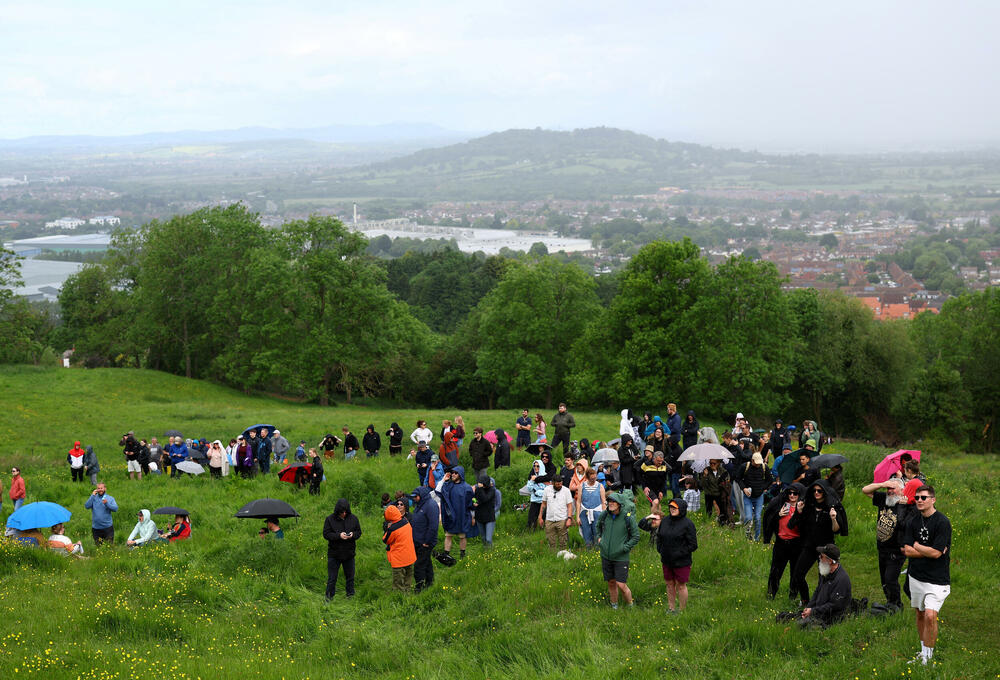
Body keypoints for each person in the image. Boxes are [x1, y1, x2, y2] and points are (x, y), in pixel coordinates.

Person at [902, 485, 951, 665]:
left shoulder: (942, 522)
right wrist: (928, 550)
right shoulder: (912, 521)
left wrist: (917, 545)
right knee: (920, 614)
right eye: (917, 498)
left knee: (930, 615)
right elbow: (907, 550)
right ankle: (923, 652)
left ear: (933, 499)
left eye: (923, 497)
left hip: (937, 579)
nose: (919, 500)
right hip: (916, 576)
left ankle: (928, 658)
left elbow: (937, 554)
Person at [788, 479, 848, 603]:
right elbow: (795, 524)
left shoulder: (831, 507)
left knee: (823, 578)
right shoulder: (808, 505)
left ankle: (820, 602)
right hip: (809, 546)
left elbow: (836, 530)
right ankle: (805, 601)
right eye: (814, 490)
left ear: (824, 492)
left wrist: (833, 518)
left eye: (819, 491)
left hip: (825, 548)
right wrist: (799, 511)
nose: (816, 493)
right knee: (798, 575)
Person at [861, 477, 912, 612]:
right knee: (884, 580)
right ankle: (890, 603)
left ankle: (897, 605)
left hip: (896, 550)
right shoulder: (884, 499)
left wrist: (903, 506)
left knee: (890, 579)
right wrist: (882, 484)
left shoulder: (907, 505)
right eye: (888, 488)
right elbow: (865, 490)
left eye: (892, 488)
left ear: (902, 490)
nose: (889, 491)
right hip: (882, 548)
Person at [640, 498, 697, 613]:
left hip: (682, 561)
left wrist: (679, 553)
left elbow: (693, 545)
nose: (672, 509)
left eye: (675, 507)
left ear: (681, 509)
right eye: (671, 507)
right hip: (666, 559)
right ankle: (671, 608)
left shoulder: (688, 524)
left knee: (680, 585)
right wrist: (660, 549)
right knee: (669, 584)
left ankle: (682, 610)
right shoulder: (665, 521)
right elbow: (659, 536)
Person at [596, 491, 640, 609]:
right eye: (609, 501)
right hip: (606, 555)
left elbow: (636, 536)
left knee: (621, 584)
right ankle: (614, 606)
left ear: (619, 503)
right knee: (611, 582)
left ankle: (630, 606)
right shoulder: (604, 515)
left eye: (613, 501)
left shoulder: (627, 517)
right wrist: (600, 539)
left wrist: (624, 548)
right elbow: (598, 526)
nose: (610, 503)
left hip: (621, 557)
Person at [763, 482, 806, 599]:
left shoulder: (803, 507)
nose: (792, 495)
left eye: (795, 493)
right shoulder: (780, 504)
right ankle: (771, 594)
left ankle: (793, 596)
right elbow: (769, 519)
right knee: (775, 571)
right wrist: (778, 515)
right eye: (790, 493)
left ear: (799, 495)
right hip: (781, 543)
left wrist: (799, 513)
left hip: (796, 544)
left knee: (795, 572)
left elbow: (806, 526)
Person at [794, 544, 852, 628]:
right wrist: (809, 607)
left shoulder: (841, 580)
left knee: (800, 626)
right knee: (787, 618)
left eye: (821, 556)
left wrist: (813, 611)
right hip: (819, 611)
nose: (819, 558)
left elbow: (834, 605)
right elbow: (817, 591)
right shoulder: (826, 572)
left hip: (832, 617)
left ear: (830, 561)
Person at [323, 498, 362, 600]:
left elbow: (358, 532)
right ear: (337, 511)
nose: (344, 514)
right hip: (334, 554)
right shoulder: (329, 519)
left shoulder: (353, 518)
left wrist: (353, 535)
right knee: (332, 578)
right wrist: (339, 536)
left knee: (350, 577)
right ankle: (329, 597)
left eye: (345, 512)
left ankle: (350, 595)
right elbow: (326, 534)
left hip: (349, 553)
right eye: (341, 512)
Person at [440, 466, 474, 559]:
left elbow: (471, 503)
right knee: (448, 536)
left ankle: (462, 555)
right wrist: (445, 481)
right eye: (452, 473)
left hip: (462, 517)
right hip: (450, 517)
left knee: (462, 537)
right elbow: (439, 492)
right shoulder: (448, 486)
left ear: (460, 474)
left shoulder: (467, 488)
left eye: (455, 473)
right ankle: (446, 555)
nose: (453, 474)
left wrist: (473, 516)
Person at [410, 486, 439, 592]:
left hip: (425, 542)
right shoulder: (420, 505)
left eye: (416, 496)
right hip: (418, 541)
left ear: (421, 495)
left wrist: (427, 541)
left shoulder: (431, 505)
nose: (414, 498)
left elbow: (433, 526)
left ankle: (419, 587)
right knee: (426, 563)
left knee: (419, 565)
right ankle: (429, 582)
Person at [382, 505, 416, 592]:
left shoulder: (392, 529)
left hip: (399, 559)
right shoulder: (406, 521)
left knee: (398, 582)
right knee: (408, 577)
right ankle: (407, 592)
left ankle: (399, 596)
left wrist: (388, 528)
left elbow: (385, 540)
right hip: (410, 555)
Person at [739, 452, 772, 540]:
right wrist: (744, 488)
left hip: (759, 497)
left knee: (757, 517)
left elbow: (770, 480)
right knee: (749, 517)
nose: (758, 465)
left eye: (759, 463)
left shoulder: (764, 467)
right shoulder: (745, 466)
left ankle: (756, 538)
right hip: (748, 497)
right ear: (752, 460)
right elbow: (738, 478)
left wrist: (763, 488)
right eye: (756, 463)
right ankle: (747, 535)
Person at [538, 475, 574, 551]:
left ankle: (562, 554)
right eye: (557, 484)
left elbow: (570, 506)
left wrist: (569, 518)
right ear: (553, 483)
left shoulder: (566, 491)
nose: (559, 485)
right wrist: (540, 517)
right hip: (549, 519)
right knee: (551, 541)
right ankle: (553, 555)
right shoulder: (547, 490)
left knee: (563, 542)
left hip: (562, 519)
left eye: (561, 483)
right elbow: (543, 504)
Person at [576, 467, 606, 549]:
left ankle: (598, 550)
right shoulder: (582, 486)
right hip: (584, 512)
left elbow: (603, 502)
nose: (593, 480)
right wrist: (577, 516)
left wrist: (604, 515)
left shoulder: (600, 486)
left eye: (595, 478)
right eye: (591, 478)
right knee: (586, 532)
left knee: (597, 532)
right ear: (587, 477)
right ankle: (589, 550)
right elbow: (578, 501)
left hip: (597, 512)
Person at [700, 459, 730, 525]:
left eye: (714, 463)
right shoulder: (706, 470)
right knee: (709, 511)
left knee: (722, 510)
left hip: (719, 494)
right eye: (710, 463)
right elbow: (702, 485)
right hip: (709, 494)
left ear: (718, 463)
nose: (712, 465)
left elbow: (727, 482)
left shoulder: (723, 471)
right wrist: (705, 476)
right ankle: (708, 523)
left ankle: (722, 522)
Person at [473, 472, 497, 549]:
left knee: (488, 539)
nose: (479, 484)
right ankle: (485, 552)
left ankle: (491, 552)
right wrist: (475, 502)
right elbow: (476, 499)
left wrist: (480, 489)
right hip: (479, 516)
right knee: (483, 538)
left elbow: (485, 499)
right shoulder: (478, 490)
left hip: (489, 517)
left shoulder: (492, 490)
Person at [525, 460, 547, 529]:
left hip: (543, 502)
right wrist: (532, 480)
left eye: (538, 466)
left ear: (541, 467)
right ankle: (531, 531)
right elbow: (529, 489)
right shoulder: (532, 476)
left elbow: (548, 490)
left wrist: (538, 492)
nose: (535, 467)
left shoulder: (546, 476)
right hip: (534, 501)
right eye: (534, 466)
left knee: (543, 519)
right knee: (531, 520)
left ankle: (542, 531)